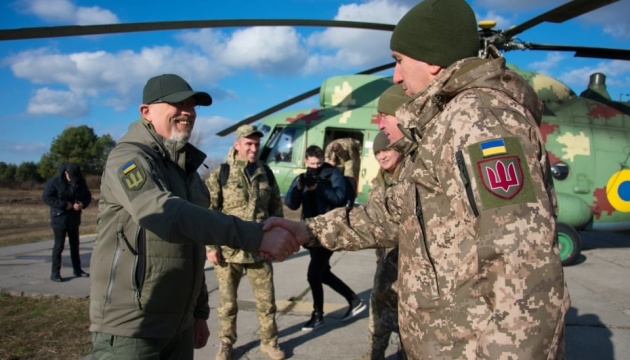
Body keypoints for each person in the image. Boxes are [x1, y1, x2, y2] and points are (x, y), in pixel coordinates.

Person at [265, 0, 570, 358]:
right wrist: (308, 231)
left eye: (399, 60)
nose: (395, 76)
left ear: (433, 60)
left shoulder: (480, 120)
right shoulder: (445, 124)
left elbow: (521, 267)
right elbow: (396, 212)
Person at [89, 73, 300, 360]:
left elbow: (192, 246)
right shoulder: (129, 159)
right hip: (133, 326)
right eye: (177, 104)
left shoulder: (186, 171)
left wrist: (199, 313)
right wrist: (256, 235)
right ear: (146, 111)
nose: (187, 112)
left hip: (180, 324)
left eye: (192, 105)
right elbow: (164, 213)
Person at [205, 124, 285, 360]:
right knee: (227, 304)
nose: (253, 148)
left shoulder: (266, 174)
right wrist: (211, 247)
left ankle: (269, 342)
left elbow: (276, 212)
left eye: (256, 144)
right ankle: (226, 343)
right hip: (229, 252)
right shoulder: (221, 174)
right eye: (248, 144)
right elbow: (209, 212)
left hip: (260, 250)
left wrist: (277, 242)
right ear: (237, 144)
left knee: (266, 302)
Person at [284, 145, 366, 331]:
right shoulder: (303, 177)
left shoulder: (333, 173)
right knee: (322, 273)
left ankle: (318, 315)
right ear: (306, 161)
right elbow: (291, 203)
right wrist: (298, 188)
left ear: (323, 159)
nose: (315, 167)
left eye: (318, 163)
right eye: (311, 163)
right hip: (311, 234)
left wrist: (319, 187)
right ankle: (354, 300)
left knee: (313, 274)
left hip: (330, 232)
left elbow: (339, 198)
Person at [362, 87, 409, 360]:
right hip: (384, 269)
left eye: (387, 150)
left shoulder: (411, 178)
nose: (382, 155)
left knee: (408, 332)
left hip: (409, 273)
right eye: (377, 153)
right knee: (377, 324)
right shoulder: (377, 185)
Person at [42, 162, 92, 282]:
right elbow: (47, 198)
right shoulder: (54, 182)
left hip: (74, 219)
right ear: (65, 173)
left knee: (75, 246)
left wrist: (82, 204)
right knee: (59, 246)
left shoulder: (81, 181)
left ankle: (78, 269)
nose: (74, 180)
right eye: (71, 177)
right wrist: (65, 205)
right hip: (59, 219)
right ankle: (55, 273)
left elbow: (87, 197)